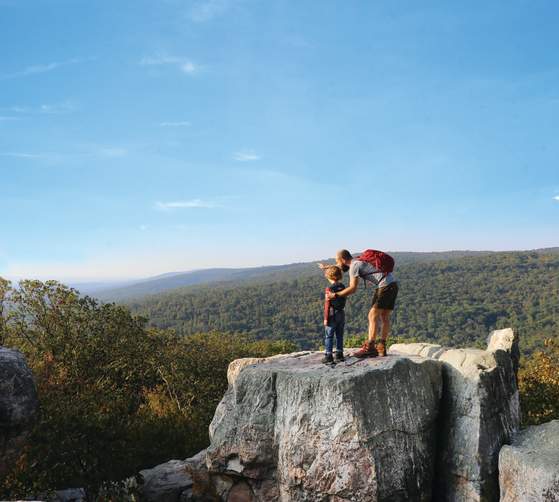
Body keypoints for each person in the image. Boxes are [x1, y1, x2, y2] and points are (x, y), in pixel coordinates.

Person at [320, 249, 398, 358]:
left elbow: (353, 288)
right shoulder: (357, 260)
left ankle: (371, 348)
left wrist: (336, 295)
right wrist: (328, 267)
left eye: (337, 261)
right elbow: (341, 265)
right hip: (393, 284)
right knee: (384, 316)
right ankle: (381, 346)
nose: (337, 264)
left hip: (384, 286)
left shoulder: (354, 266)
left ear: (342, 259)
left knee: (372, 316)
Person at [321, 265, 346, 364]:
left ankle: (328, 356)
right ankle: (339, 354)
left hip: (332, 315)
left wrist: (326, 318)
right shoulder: (342, 286)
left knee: (329, 336)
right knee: (339, 335)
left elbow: (327, 304)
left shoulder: (329, 289)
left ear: (328, 277)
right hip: (341, 313)